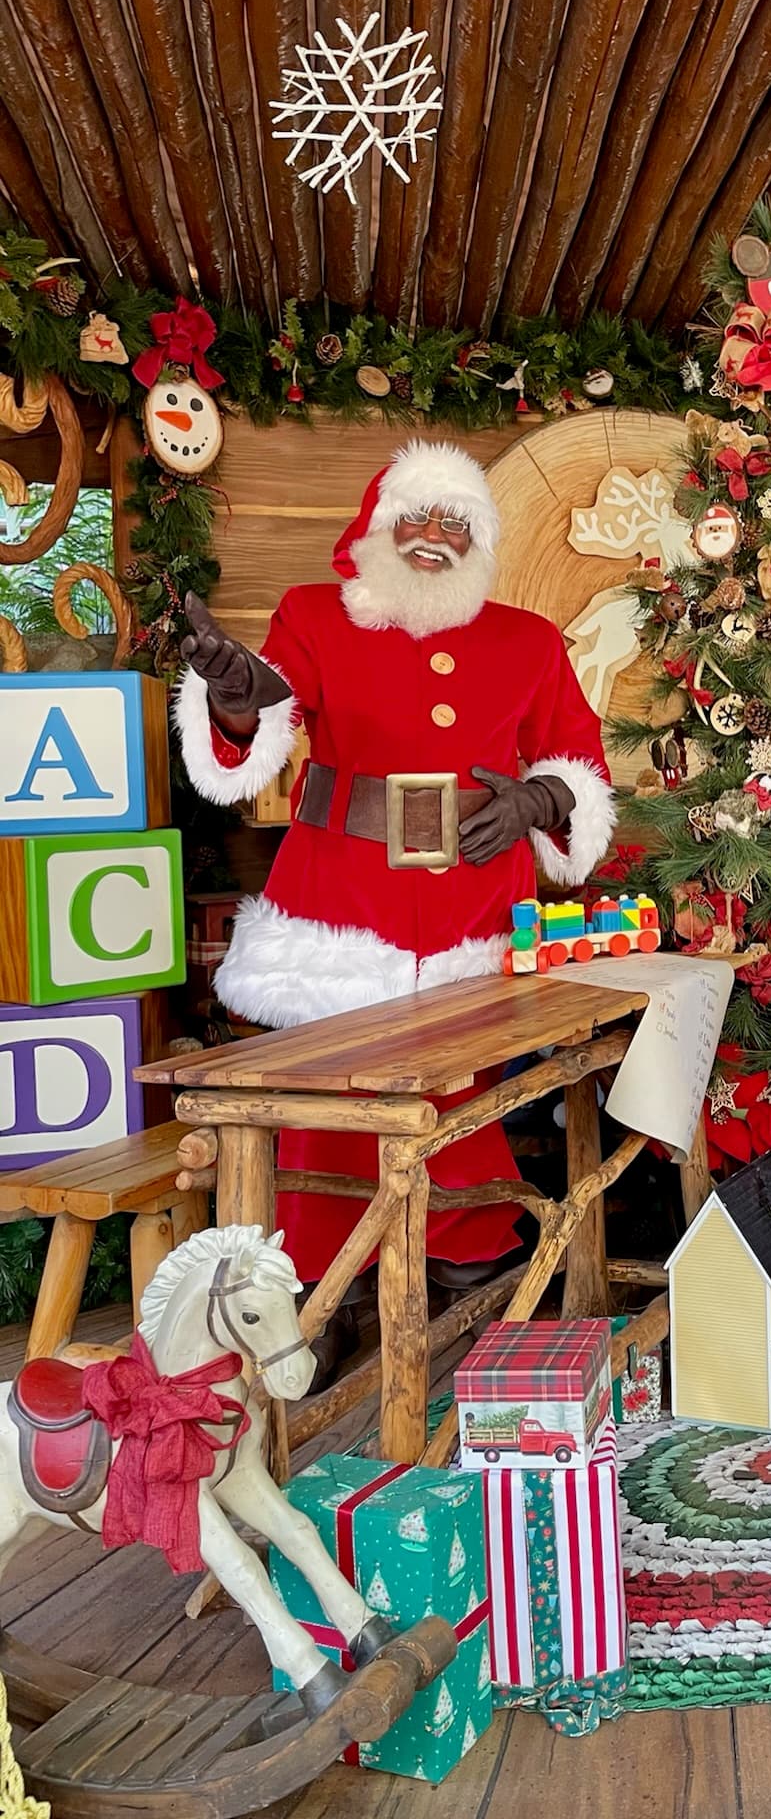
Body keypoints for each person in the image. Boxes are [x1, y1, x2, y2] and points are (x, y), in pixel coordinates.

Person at [174, 440, 614, 1315]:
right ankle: (309, 1293)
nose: (433, 535)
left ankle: (460, 1252)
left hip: (471, 906)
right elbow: (263, 719)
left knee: (459, 1106)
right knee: (319, 1114)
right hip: (337, 904)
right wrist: (232, 699)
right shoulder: (313, 614)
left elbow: (579, 758)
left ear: (479, 542)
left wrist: (539, 799)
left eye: (457, 522)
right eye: (416, 514)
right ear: (377, 524)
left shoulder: (527, 640)